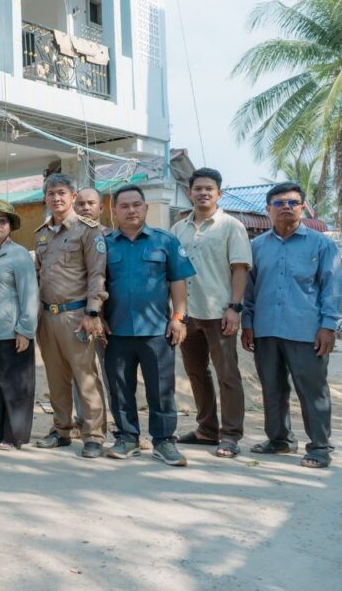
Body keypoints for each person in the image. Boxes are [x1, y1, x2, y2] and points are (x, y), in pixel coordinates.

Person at [242, 182, 342, 469]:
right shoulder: (256, 247)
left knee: (312, 390)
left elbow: (333, 288)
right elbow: (249, 290)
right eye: (279, 203)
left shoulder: (321, 244)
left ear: (302, 208)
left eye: (292, 202)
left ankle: (320, 447)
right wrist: (247, 323)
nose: (286, 207)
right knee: (272, 387)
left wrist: (329, 327)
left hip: (307, 331)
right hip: (265, 329)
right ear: (268, 209)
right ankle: (279, 439)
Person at [102, 185, 196, 467]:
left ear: (145, 208)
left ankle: (164, 441)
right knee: (120, 388)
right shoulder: (104, 244)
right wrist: (99, 316)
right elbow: (97, 282)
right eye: (124, 206)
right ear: (114, 211)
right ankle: (127, 438)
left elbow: (178, 281)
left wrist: (179, 318)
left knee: (161, 389)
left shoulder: (165, 241)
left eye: (136, 205)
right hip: (116, 331)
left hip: (157, 330)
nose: (131, 210)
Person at [170, 168, 252, 458]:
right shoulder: (177, 229)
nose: (203, 193)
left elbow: (239, 268)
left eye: (209, 189)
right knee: (196, 373)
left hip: (219, 314)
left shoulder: (231, 226)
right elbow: (172, 273)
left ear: (219, 193)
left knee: (227, 374)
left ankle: (230, 435)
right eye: (198, 188)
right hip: (187, 314)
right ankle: (206, 429)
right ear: (190, 192)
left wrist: (235, 308)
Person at [33, 173, 108, 458]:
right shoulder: (41, 234)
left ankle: (94, 435)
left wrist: (93, 311)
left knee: (85, 377)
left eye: (62, 193)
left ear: (73, 197)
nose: (56, 198)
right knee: (56, 378)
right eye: (51, 194)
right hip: (47, 316)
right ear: (45, 198)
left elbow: (97, 274)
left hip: (76, 316)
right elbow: (39, 275)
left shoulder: (87, 231)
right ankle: (61, 429)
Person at [0, 201, 39, 450]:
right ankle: (0, 430)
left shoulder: (19, 255)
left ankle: (14, 435)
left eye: (2, 221)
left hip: (12, 333)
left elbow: (30, 294)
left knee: (15, 388)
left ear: (10, 226)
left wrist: (25, 329)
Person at [70, 187, 110, 433]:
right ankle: (82, 421)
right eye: (81, 204)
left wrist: (101, 314)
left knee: (111, 373)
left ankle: (122, 428)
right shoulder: (69, 236)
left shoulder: (112, 238)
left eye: (91, 203)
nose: (85, 207)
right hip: (78, 315)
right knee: (81, 372)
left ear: (101, 208)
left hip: (107, 317)